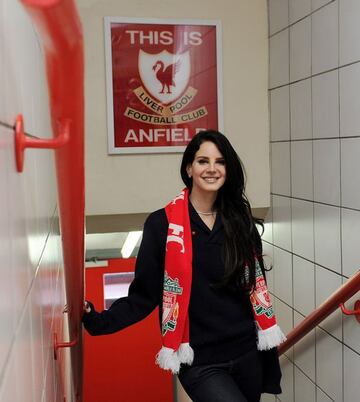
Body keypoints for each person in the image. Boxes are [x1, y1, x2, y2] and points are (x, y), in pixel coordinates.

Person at [82, 130, 285, 402]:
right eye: (203, 161)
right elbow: (144, 295)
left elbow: (254, 287)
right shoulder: (162, 226)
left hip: (246, 353)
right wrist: (97, 320)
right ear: (189, 168)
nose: (212, 169)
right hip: (200, 361)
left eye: (220, 162)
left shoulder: (240, 222)